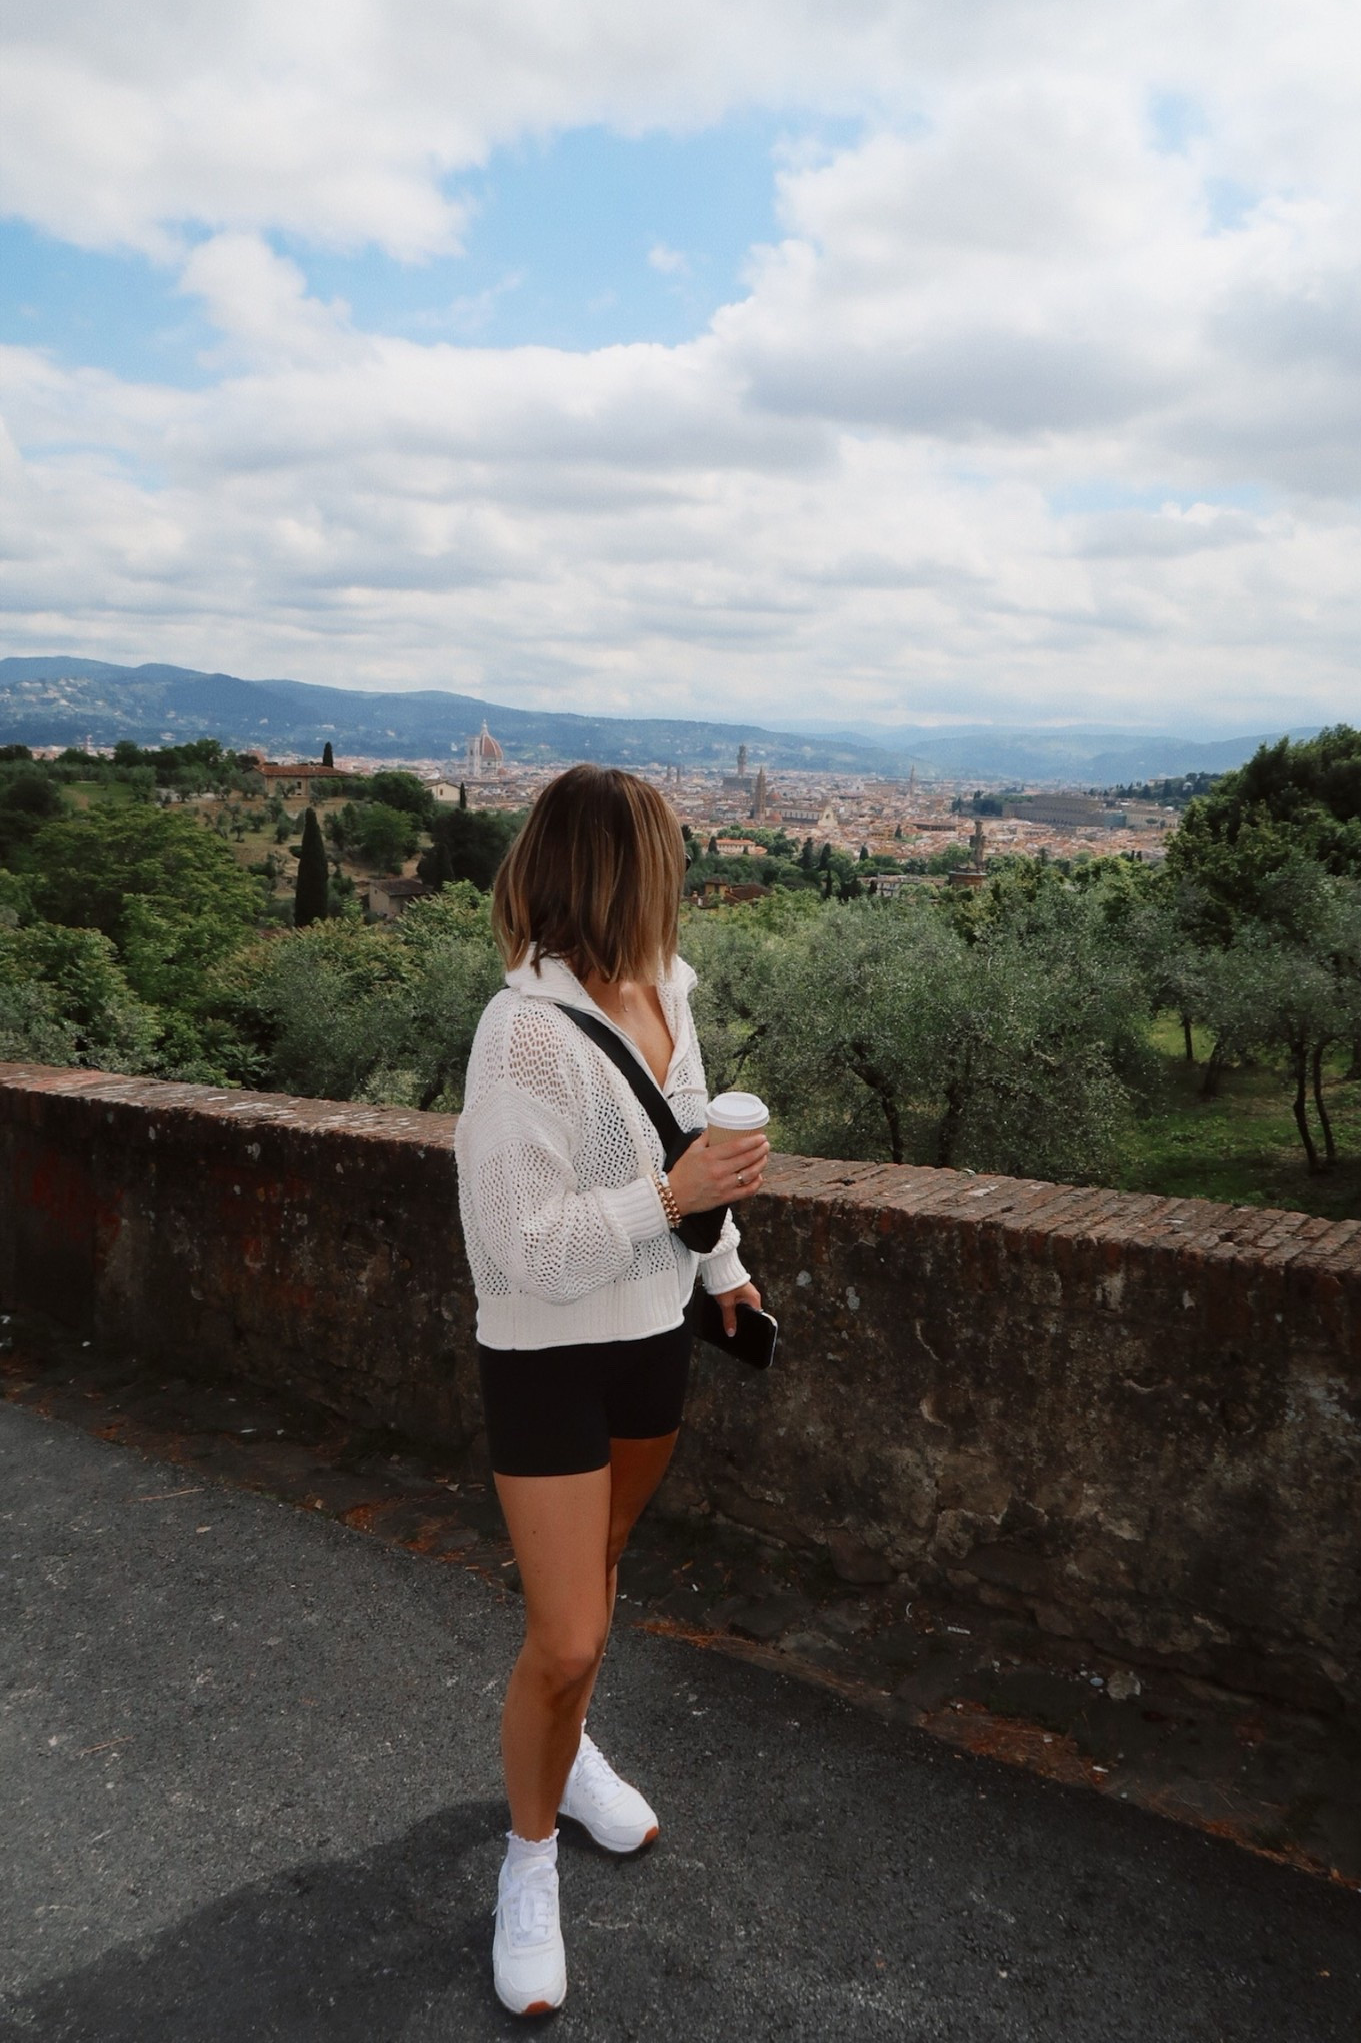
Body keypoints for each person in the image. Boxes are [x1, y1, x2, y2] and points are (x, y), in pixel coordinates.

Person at [455, 765, 770, 2017]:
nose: (681, 875)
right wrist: (673, 1201)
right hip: (543, 1348)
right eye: (667, 855)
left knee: (608, 1561)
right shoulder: (519, 1031)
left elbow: (685, 1148)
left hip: (655, 1329)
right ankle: (526, 1862)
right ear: (622, 866)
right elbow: (513, 1246)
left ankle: (569, 1754)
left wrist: (727, 1264)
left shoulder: (669, 991)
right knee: (568, 1628)